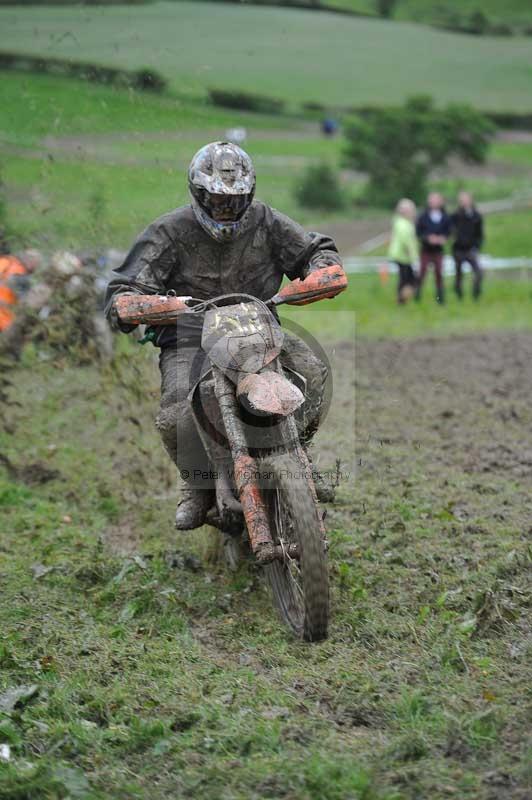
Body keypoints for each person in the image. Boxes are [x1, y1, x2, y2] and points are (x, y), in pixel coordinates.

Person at [105, 141, 345, 530]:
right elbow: (124, 289)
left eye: (234, 201)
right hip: (188, 335)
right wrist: (139, 305)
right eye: (216, 200)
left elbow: (315, 249)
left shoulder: (266, 222)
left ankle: (298, 453)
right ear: (198, 194)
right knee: (175, 414)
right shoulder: (169, 231)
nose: (225, 209)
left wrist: (322, 271)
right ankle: (197, 486)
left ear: (248, 195)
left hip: (258, 329)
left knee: (313, 373)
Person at [415, 192, 451, 304]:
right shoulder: (423, 216)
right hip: (426, 250)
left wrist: (442, 238)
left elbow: (448, 231)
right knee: (422, 272)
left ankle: (440, 298)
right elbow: (418, 232)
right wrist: (428, 238)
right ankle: (417, 295)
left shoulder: (445, 217)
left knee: (439, 273)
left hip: (438, 251)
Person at [450, 191, 484, 300]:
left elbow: (480, 234)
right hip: (458, 249)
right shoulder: (455, 216)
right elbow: (450, 229)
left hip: (471, 249)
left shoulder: (476, 216)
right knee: (459, 274)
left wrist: (477, 246)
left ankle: (476, 293)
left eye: (465, 200)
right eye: (461, 200)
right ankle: (459, 294)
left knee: (478, 272)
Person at [388, 198, 418, 304]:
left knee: (405, 279)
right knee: (409, 280)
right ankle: (401, 299)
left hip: (402, 256)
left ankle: (402, 299)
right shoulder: (403, 223)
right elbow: (405, 239)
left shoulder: (400, 221)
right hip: (403, 256)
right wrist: (410, 253)